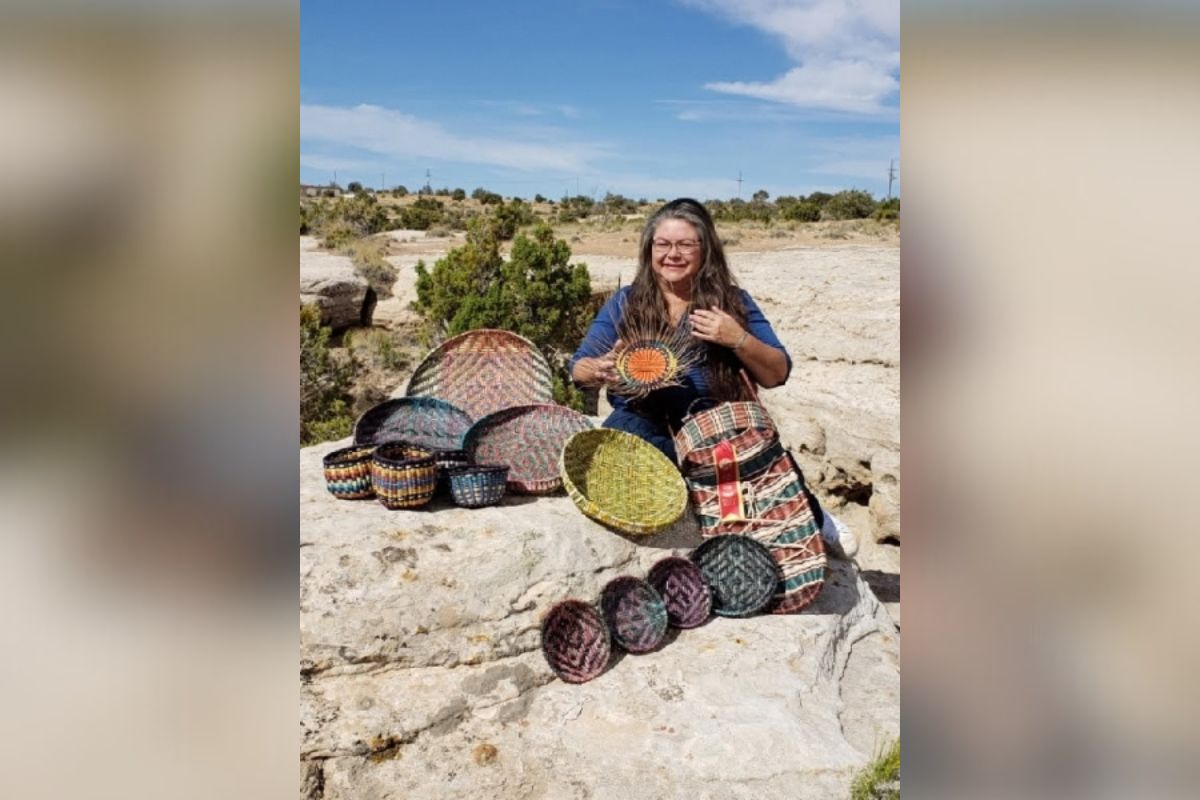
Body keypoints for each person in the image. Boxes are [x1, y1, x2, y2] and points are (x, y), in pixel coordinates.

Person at [568, 197, 857, 557]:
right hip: (640, 419)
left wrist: (737, 337)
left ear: (705, 250)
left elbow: (777, 372)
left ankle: (812, 514)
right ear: (649, 250)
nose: (673, 254)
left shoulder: (731, 302)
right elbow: (579, 369)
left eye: (686, 244)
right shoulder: (627, 301)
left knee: (754, 490)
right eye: (663, 244)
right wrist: (599, 368)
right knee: (618, 476)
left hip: (715, 426)